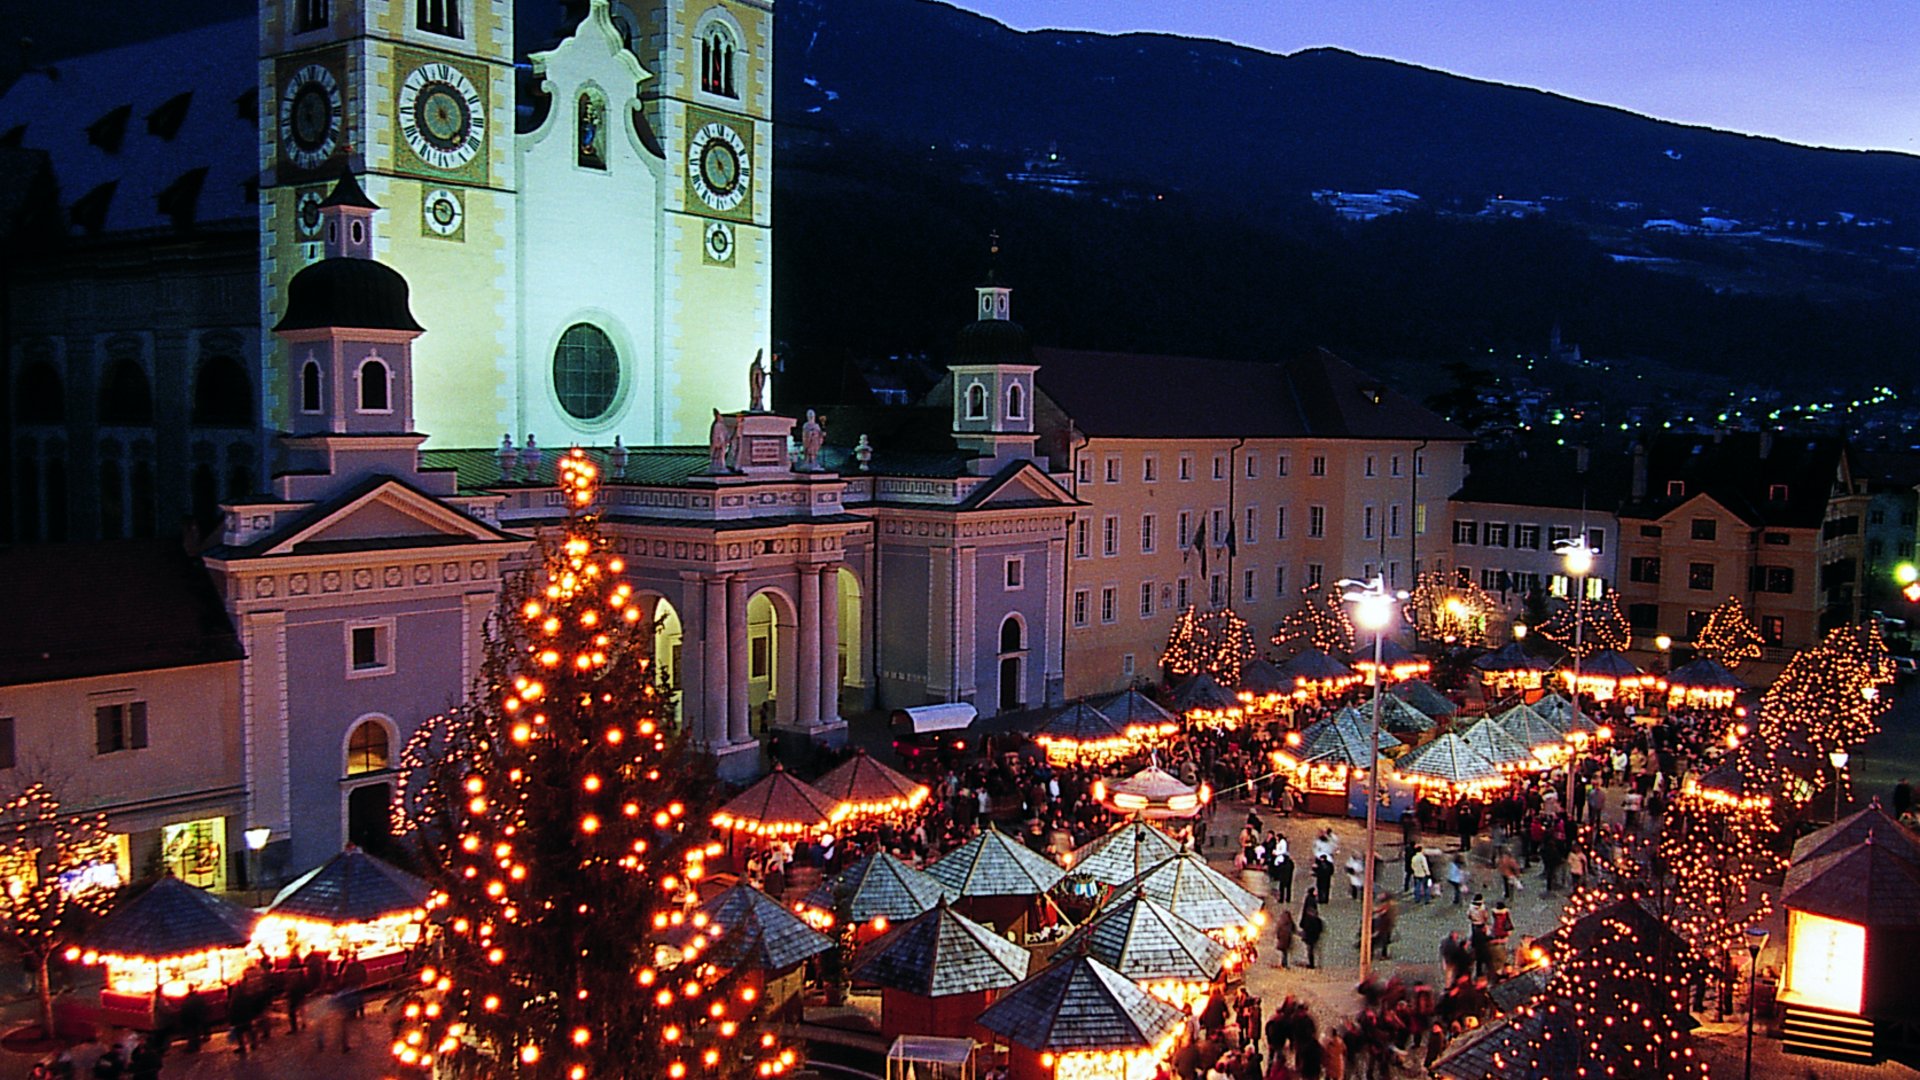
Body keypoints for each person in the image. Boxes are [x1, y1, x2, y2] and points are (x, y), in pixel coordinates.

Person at [1300, 899, 1325, 969]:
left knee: (1311, 951)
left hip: (1311, 938)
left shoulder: (1309, 920)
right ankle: (1315, 963)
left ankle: (1312, 964)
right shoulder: (1317, 920)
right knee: (1314, 951)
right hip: (1315, 938)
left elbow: (1307, 928)